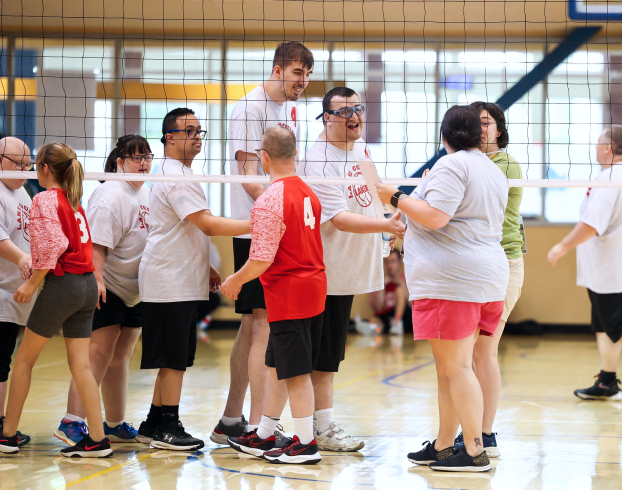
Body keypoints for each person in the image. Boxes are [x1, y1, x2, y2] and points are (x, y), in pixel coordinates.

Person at [376, 105, 508, 472]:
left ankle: (475, 449)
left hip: (453, 281)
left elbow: (436, 218)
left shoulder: (455, 165)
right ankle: (445, 445)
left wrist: (395, 196)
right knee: (448, 367)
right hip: (484, 278)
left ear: (444, 135)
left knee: (458, 367)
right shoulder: (490, 168)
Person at [212, 41, 314, 444]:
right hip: (257, 229)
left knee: (253, 327)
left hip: (275, 225)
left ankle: (232, 420)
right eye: (296, 73)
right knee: (263, 328)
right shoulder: (250, 107)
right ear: (276, 70)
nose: (302, 81)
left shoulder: (289, 110)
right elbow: (248, 174)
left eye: (307, 74)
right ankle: (258, 428)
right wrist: (283, 209)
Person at [136, 108, 250, 451]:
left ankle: (153, 422)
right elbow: (209, 224)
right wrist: (258, 223)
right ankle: (170, 425)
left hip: (179, 277)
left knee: (176, 357)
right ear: (169, 137)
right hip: (168, 280)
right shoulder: (176, 177)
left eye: (200, 130)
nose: (197, 136)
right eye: (189, 131)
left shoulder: (181, 173)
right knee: (174, 360)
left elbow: (186, 227)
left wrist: (208, 267)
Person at [298, 86, 405, 451]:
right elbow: (339, 219)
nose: (354, 116)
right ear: (326, 118)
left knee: (328, 356)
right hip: (322, 272)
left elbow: (372, 189)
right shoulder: (318, 160)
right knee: (310, 357)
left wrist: (389, 214)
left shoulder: (359, 148)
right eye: (344, 112)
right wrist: (385, 226)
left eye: (358, 108)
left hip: (347, 271)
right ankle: (289, 428)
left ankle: (316, 426)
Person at [0, 143, 112, 458]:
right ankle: (98, 440)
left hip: (63, 285)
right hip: (87, 284)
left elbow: (52, 245)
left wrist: (33, 283)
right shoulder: (74, 203)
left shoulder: (45, 198)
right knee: (81, 365)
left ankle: (6, 436)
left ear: (44, 168)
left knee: (23, 361)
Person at [222, 126, 326, 464]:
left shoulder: (270, 199)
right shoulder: (308, 193)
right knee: (275, 363)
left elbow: (261, 258)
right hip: (312, 288)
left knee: (294, 372)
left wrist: (235, 281)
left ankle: (306, 444)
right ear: (294, 154)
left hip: (290, 293)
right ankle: (265, 433)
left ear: (263, 159)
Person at [54, 135, 152, 446]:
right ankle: (71, 422)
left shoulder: (146, 191)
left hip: (133, 289)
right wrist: (96, 282)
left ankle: (114, 423)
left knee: (120, 356)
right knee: (97, 353)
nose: (145, 163)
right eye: (137, 158)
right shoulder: (110, 194)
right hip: (106, 283)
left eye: (148, 157)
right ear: (120, 162)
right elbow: (95, 245)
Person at [451, 101, 525, 458]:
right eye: (475, 123)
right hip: (477, 266)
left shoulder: (503, 164)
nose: (481, 129)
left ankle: (485, 433)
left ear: (499, 129)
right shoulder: (467, 161)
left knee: (484, 350)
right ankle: (469, 432)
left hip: (504, 262)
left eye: (487, 122)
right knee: (469, 354)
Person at [548, 125, 622, 401]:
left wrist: (562, 246)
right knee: (605, 327)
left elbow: (591, 224)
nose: (595, 147)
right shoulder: (611, 176)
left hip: (611, 271)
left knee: (614, 328)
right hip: (605, 270)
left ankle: (608, 381)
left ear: (607, 147)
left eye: (598, 142)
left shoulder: (611, 177)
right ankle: (607, 382)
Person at [0, 137, 35, 447]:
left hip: (15, 295)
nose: (25, 170)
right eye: (18, 164)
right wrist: (23, 258)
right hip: (0, 294)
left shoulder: (23, 191)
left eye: (29, 165)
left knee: (4, 359)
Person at [365, 249, 410, 336]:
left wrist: (402, 285)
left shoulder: (407, 279)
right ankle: (376, 328)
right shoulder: (379, 282)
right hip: (387, 317)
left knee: (399, 290)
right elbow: (378, 308)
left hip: (404, 317)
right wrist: (383, 286)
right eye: (387, 262)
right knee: (375, 319)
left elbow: (413, 305)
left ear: (400, 262)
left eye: (393, 262)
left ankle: (397, 322)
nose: (390, 265)